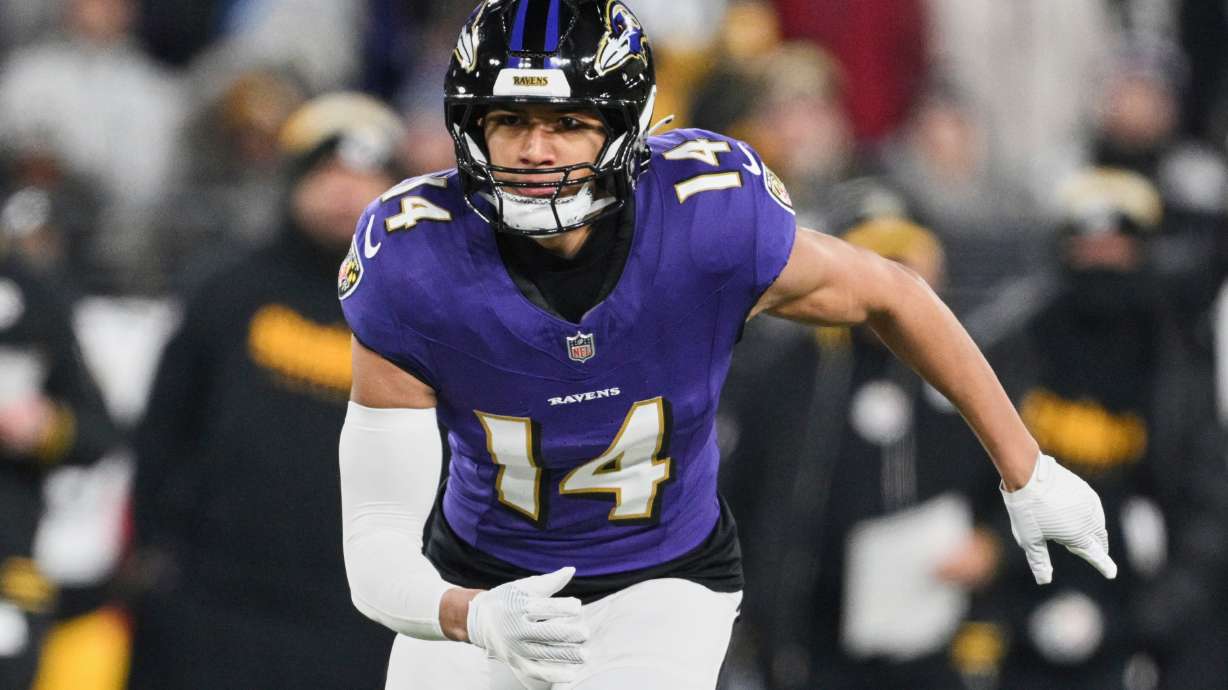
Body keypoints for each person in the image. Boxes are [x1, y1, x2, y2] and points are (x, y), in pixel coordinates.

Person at [337, 2, 1117, 688]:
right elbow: (375, 539)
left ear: (625, 125)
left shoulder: (704, 219)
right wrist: (470, 614)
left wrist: (1028, 471)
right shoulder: (414, 260)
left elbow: (892, 293)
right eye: (510, 120)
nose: (537, 151)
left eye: (569, 122)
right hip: (477, 576)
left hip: (659, 581)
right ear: (469, 125)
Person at [126, 93, 401, 690]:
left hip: (356, 618)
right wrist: (156, 551)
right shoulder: (228, 290)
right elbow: (164, 429)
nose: (345, 192)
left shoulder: (422, 315)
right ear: (293, 182)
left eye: (366, 176)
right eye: (327, 172)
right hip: (214, 602)